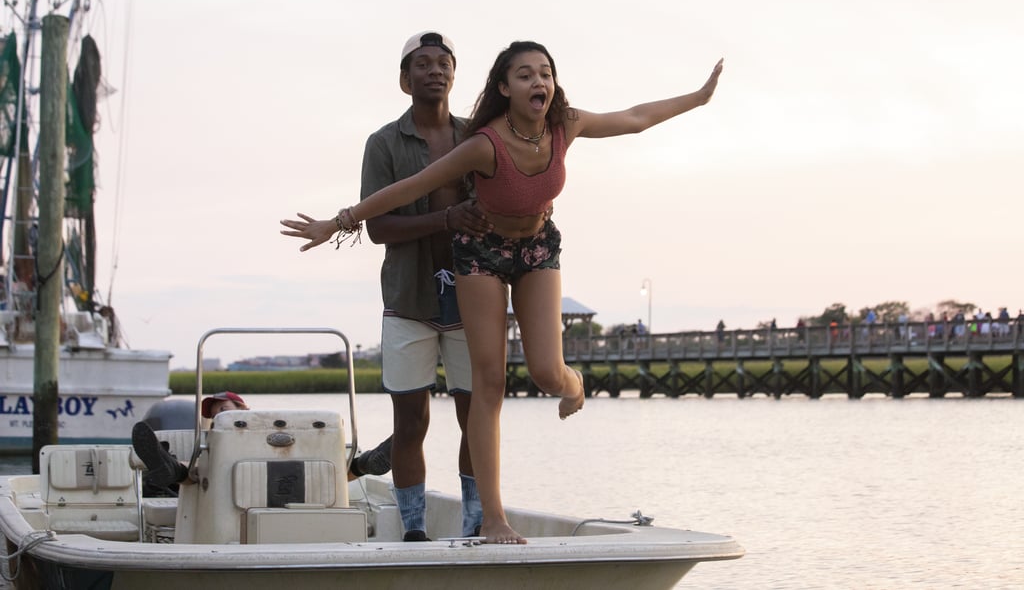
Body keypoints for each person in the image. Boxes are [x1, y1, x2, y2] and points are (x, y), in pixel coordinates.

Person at [281, 40, 723, 543]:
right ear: (503, 88)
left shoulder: (566, 124)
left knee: (545, 372)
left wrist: (699, 97)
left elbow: (637, 116)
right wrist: (336, 223)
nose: (539, 82)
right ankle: (491, 518)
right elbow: (406, 190)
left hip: (536, 250)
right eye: (526, 75)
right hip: (480, 256)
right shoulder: (482, 143)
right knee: (487, 387)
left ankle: (571, 383)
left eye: (546, 74)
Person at [287, 32, 488, 542]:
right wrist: (446, 218)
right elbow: (378, 228)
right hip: (407, 300)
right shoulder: (383, 143)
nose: (435, 70)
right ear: (406, 79)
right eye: (423, 64)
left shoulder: (477, 136)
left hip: (472, 297)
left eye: (444, 63)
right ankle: (414, 529)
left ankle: (476, 522)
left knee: (476, 417)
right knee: (411, 420)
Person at [131, 391, 393, 496]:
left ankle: (367, 462)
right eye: (215, 414)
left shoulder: (269, 426)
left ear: (243, 408)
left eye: (225, 408)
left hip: (274, 477)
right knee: (203, 470)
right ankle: (169, 467)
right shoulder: (210, 440)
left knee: (317, 471)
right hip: (222, 482)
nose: (219, 415)